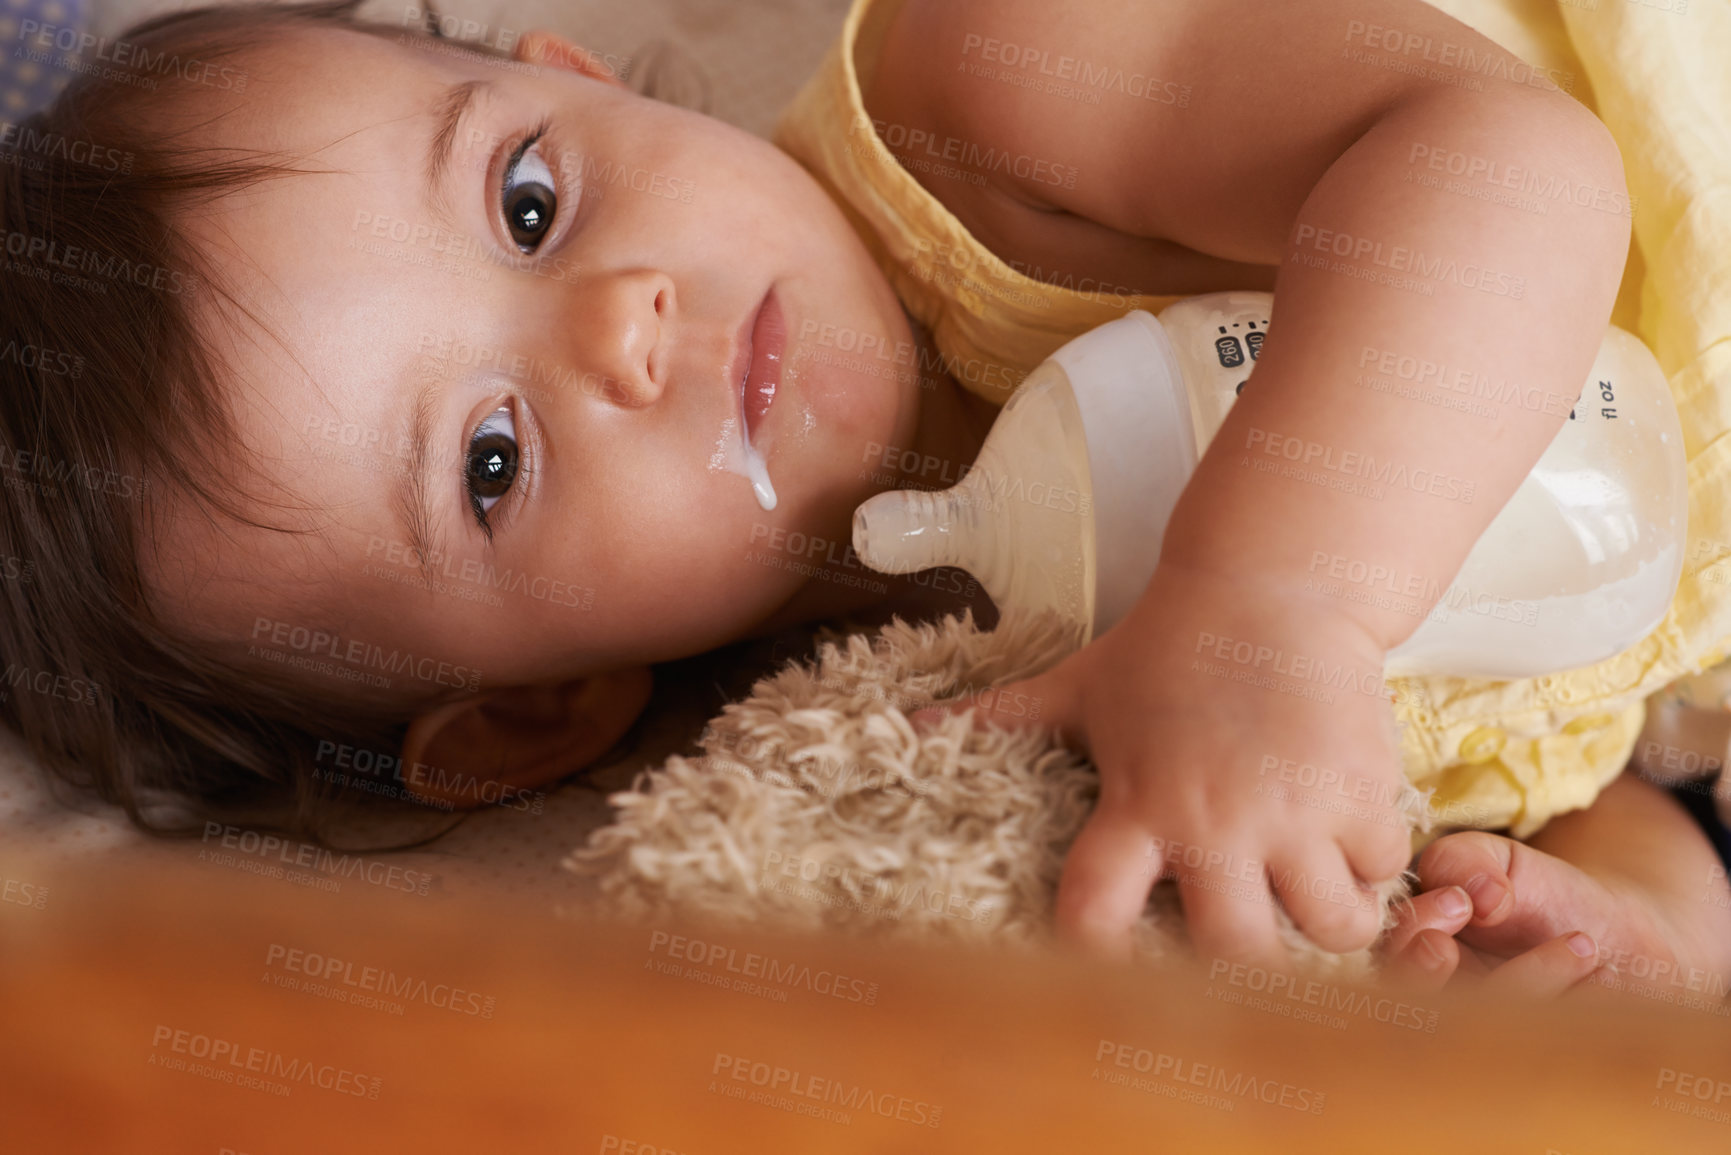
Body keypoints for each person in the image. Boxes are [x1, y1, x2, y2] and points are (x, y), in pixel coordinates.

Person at [3, 0, 1725, 996]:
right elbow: (1579, 734)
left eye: (529, 204)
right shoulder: (945, 725)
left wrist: (1277, 598)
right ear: (541, 714)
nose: (621, 319)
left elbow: (1505, 165)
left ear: (575, 80)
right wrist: (1617, 927)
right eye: (492, 462)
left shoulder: (985, 91)